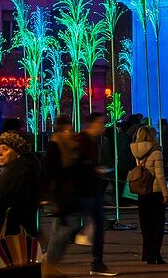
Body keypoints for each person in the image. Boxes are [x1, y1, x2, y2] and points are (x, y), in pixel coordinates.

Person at [44, 113, 117, 277]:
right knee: (67, 227)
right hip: (78, 192)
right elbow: (60, 169)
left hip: (85, 191)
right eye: (100, 123)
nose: (70, 133)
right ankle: (50, 262)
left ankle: (53, 263)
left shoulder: (89, 143)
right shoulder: (74, 142)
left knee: (72, 226)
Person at [0, 132, 41, 278]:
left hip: (8, 234)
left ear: (18, 151)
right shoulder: (19, 170)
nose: (0, 153)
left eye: (5, 149)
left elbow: (8, 203)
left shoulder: (19, 172)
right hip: (12, 233)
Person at [130, 125, 168, 264]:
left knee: (145, 224)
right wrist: (166, 193)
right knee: (158, 225)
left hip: (142, 191)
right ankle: (155, 254)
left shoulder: (136, 150)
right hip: (155, 191)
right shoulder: (156, 152)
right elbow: (159, 175)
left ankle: (146, 254)